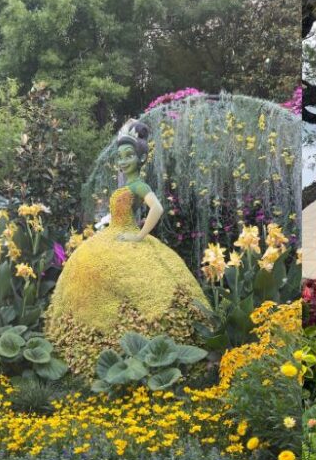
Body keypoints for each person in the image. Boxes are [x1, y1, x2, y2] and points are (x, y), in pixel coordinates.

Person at [43, 119, 209, 376]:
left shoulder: (138, 186)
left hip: (127, 235)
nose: (123, 161)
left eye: (129, 155)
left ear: (142, 158)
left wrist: (140, 234)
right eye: (120, 157)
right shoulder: (126, 186)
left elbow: (157, 208)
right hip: (113, 235)